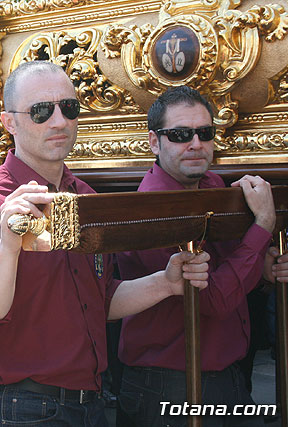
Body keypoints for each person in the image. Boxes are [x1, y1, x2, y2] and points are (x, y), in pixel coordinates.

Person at [0, 61, 211, 426]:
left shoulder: (84, 197)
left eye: (68, 108)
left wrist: (165, 283)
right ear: (10, 123)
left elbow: (97, 300)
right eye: (41, 111)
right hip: (21, 406)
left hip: (90, 402)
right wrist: (8, 246)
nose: (59, 121)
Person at [116, 85, 285, 427]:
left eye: (204, 133)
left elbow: (232, 274)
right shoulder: (151, 210)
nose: (195, 144)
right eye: (179, 134)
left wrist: (265, 272)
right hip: (169, 386)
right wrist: (264, 224)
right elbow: (214, 300)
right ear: (154, 142)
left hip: (229, 378)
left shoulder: (213, 186)